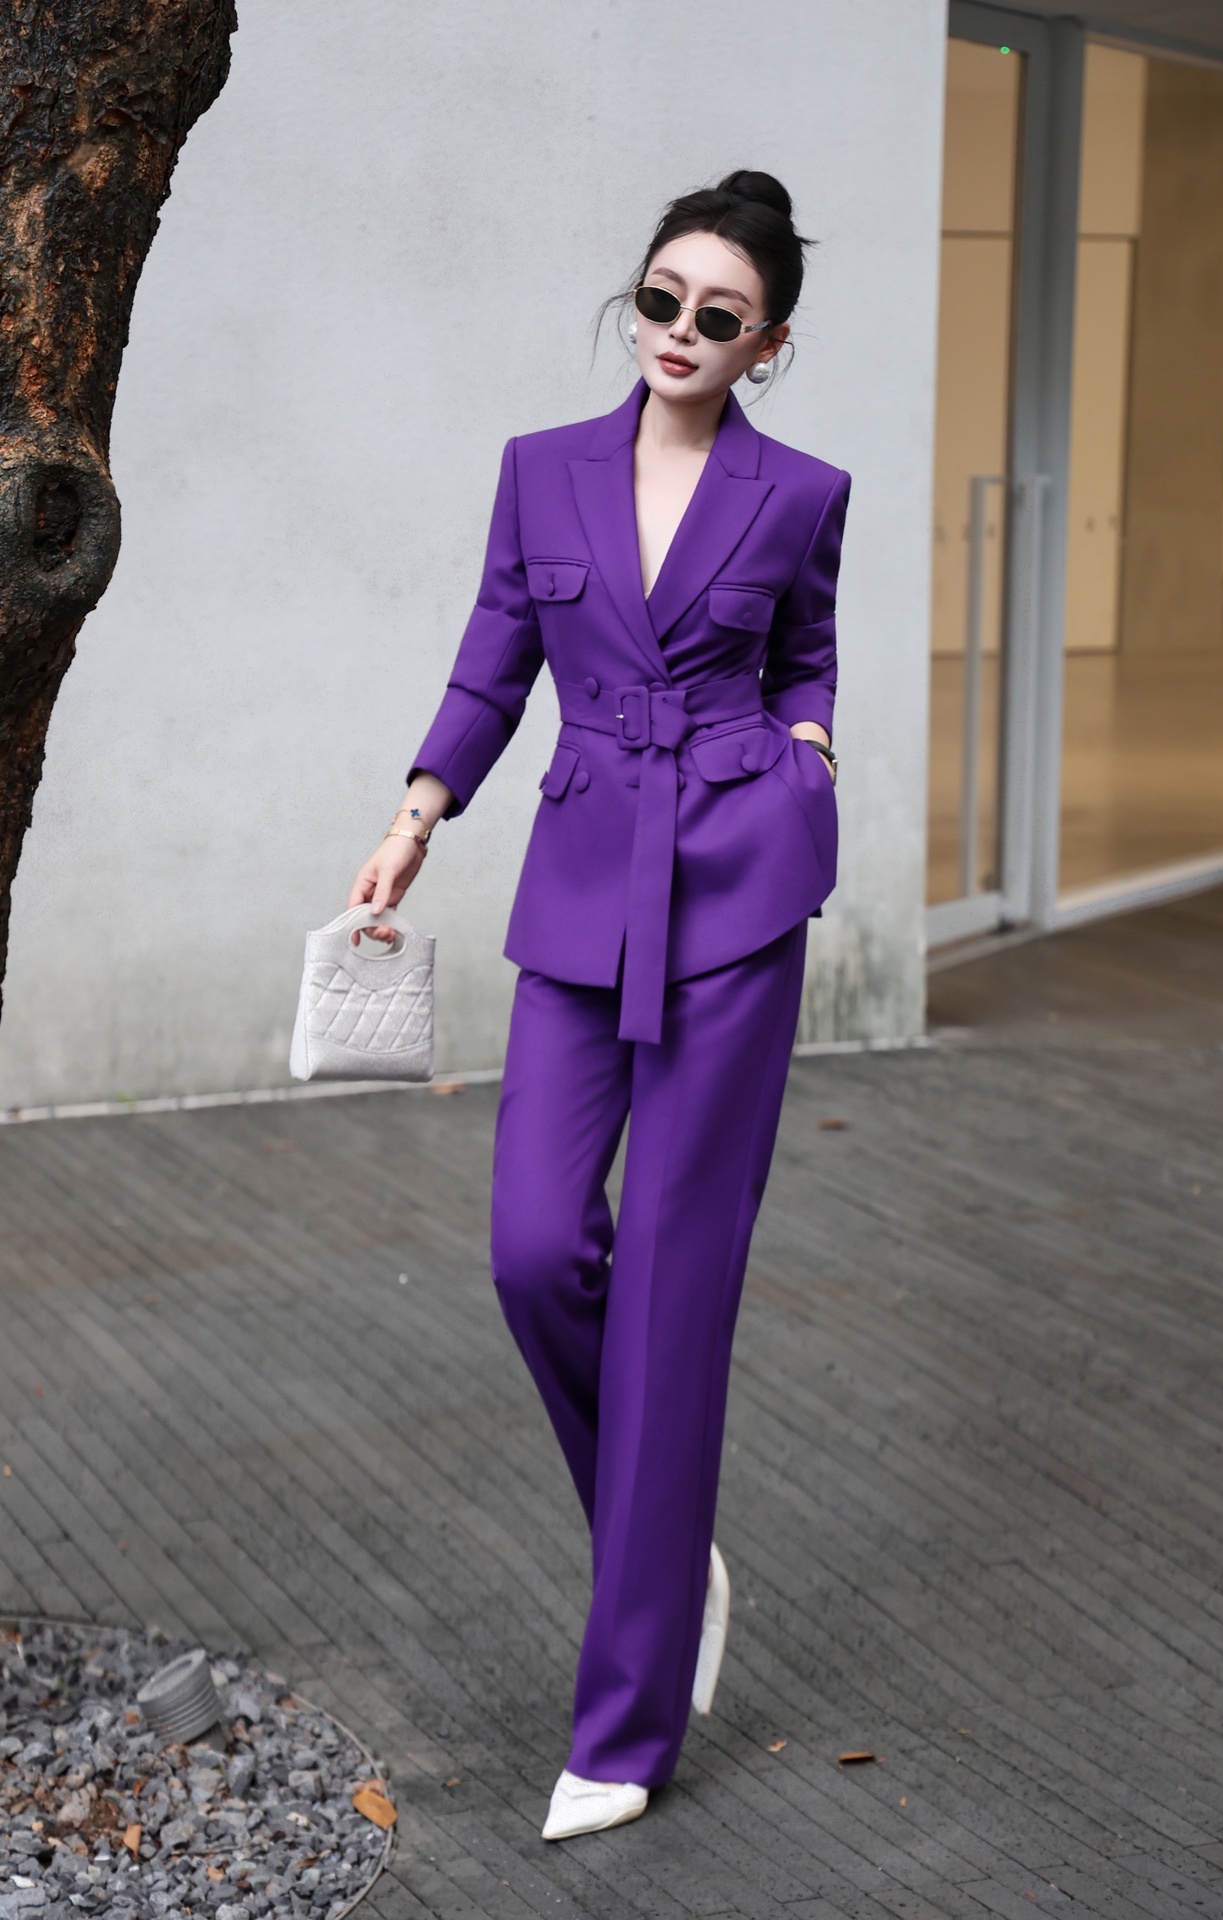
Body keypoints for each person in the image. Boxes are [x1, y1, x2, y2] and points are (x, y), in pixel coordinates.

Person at [347, 169, 850, 1840]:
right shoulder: (539, 470)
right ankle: (669, 1548)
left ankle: (625, 1729)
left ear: (766, 343)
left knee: (675, 1298)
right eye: (661, 299)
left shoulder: (801, 493)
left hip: (737, 896)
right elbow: (494, 657)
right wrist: (418, 813)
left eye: (720, 316)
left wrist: (810, 752)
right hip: (579, 889)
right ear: (634, 301)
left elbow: (806, 654)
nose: (680, 332)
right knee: (534, 1248)